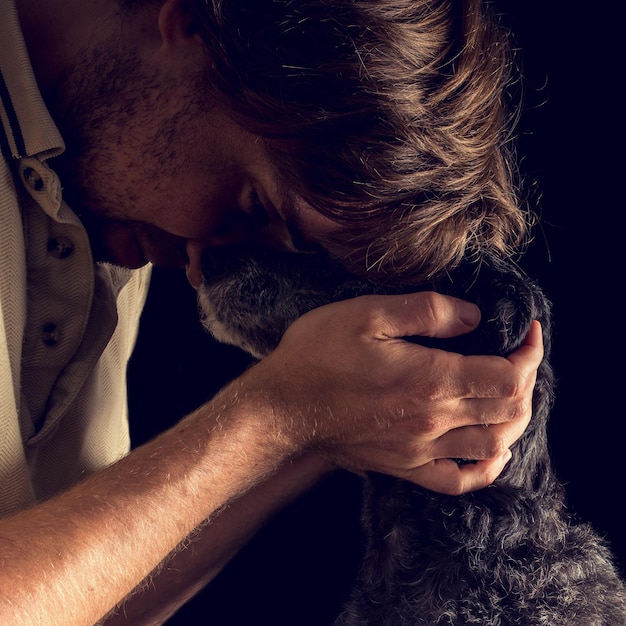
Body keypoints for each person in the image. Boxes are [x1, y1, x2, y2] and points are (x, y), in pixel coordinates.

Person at [0, 0, 543, 623]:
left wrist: (330, 424)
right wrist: (276, 416)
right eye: (253, 203)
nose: (204, 263)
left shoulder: (113, 190)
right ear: (190, 23)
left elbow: (77, 603)